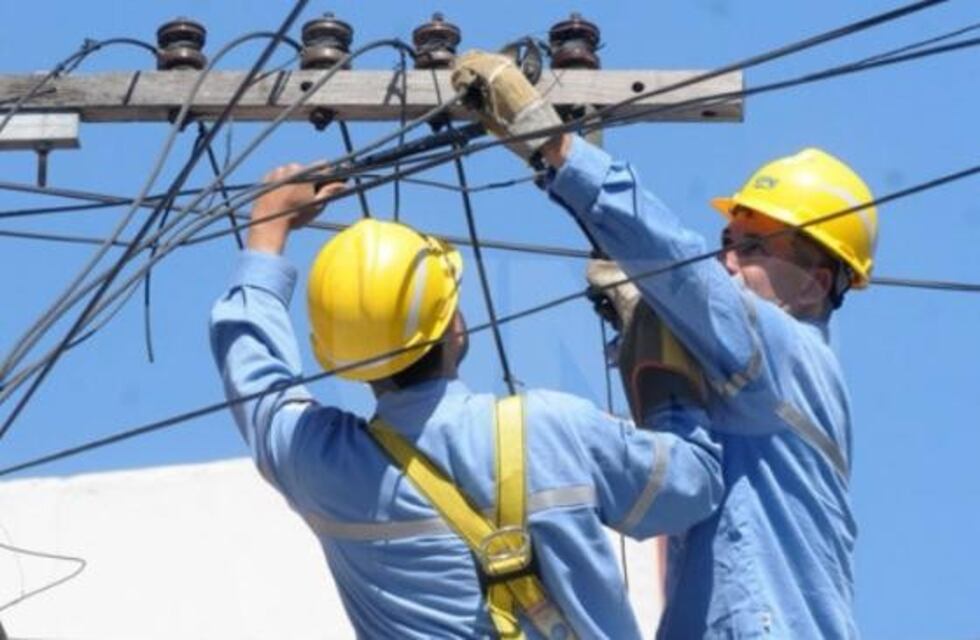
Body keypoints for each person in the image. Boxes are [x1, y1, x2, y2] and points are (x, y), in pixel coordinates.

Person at [451, 51, 877, 638]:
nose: (726, 259)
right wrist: (646, 325)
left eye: (753, 248)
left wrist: (557, 148)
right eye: (726, 240)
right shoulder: (749, 378)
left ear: (815, 282)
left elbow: (682, 270)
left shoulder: (789, 355)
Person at [209, 163, 723, 638]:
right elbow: (693, 486)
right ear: (453, 324)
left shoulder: (325, 469)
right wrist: (653, 351)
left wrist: (266, 228)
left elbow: (254, 373)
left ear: (336, 352)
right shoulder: (554, 429)